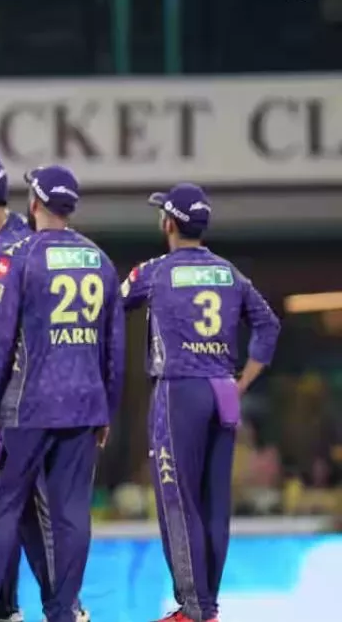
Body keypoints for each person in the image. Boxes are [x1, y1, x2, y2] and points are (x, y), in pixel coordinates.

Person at [0, 166, 124, 622]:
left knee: (3, 502)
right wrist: (107, 411)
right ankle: (64, 610)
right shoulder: (101, 261)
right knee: (72, 512)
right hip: (85, 406)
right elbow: (115, 348)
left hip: (28, 404)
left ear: (33, 203)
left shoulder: (19, 257)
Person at [0, 154, 90, 622]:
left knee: (31, 507)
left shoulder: (27, 242)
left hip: (21, 396)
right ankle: (2, 605)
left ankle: (62, 603)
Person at [121, 184, 280, 622]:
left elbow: (112, 304)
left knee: (178, 498)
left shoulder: (155, 271)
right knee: (214, 502)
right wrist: (243, 382)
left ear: (169, 223)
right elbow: (268, 325)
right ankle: (207, 607)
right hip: (223, 389)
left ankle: (192, 609)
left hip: (179, 390)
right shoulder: (230, 274)